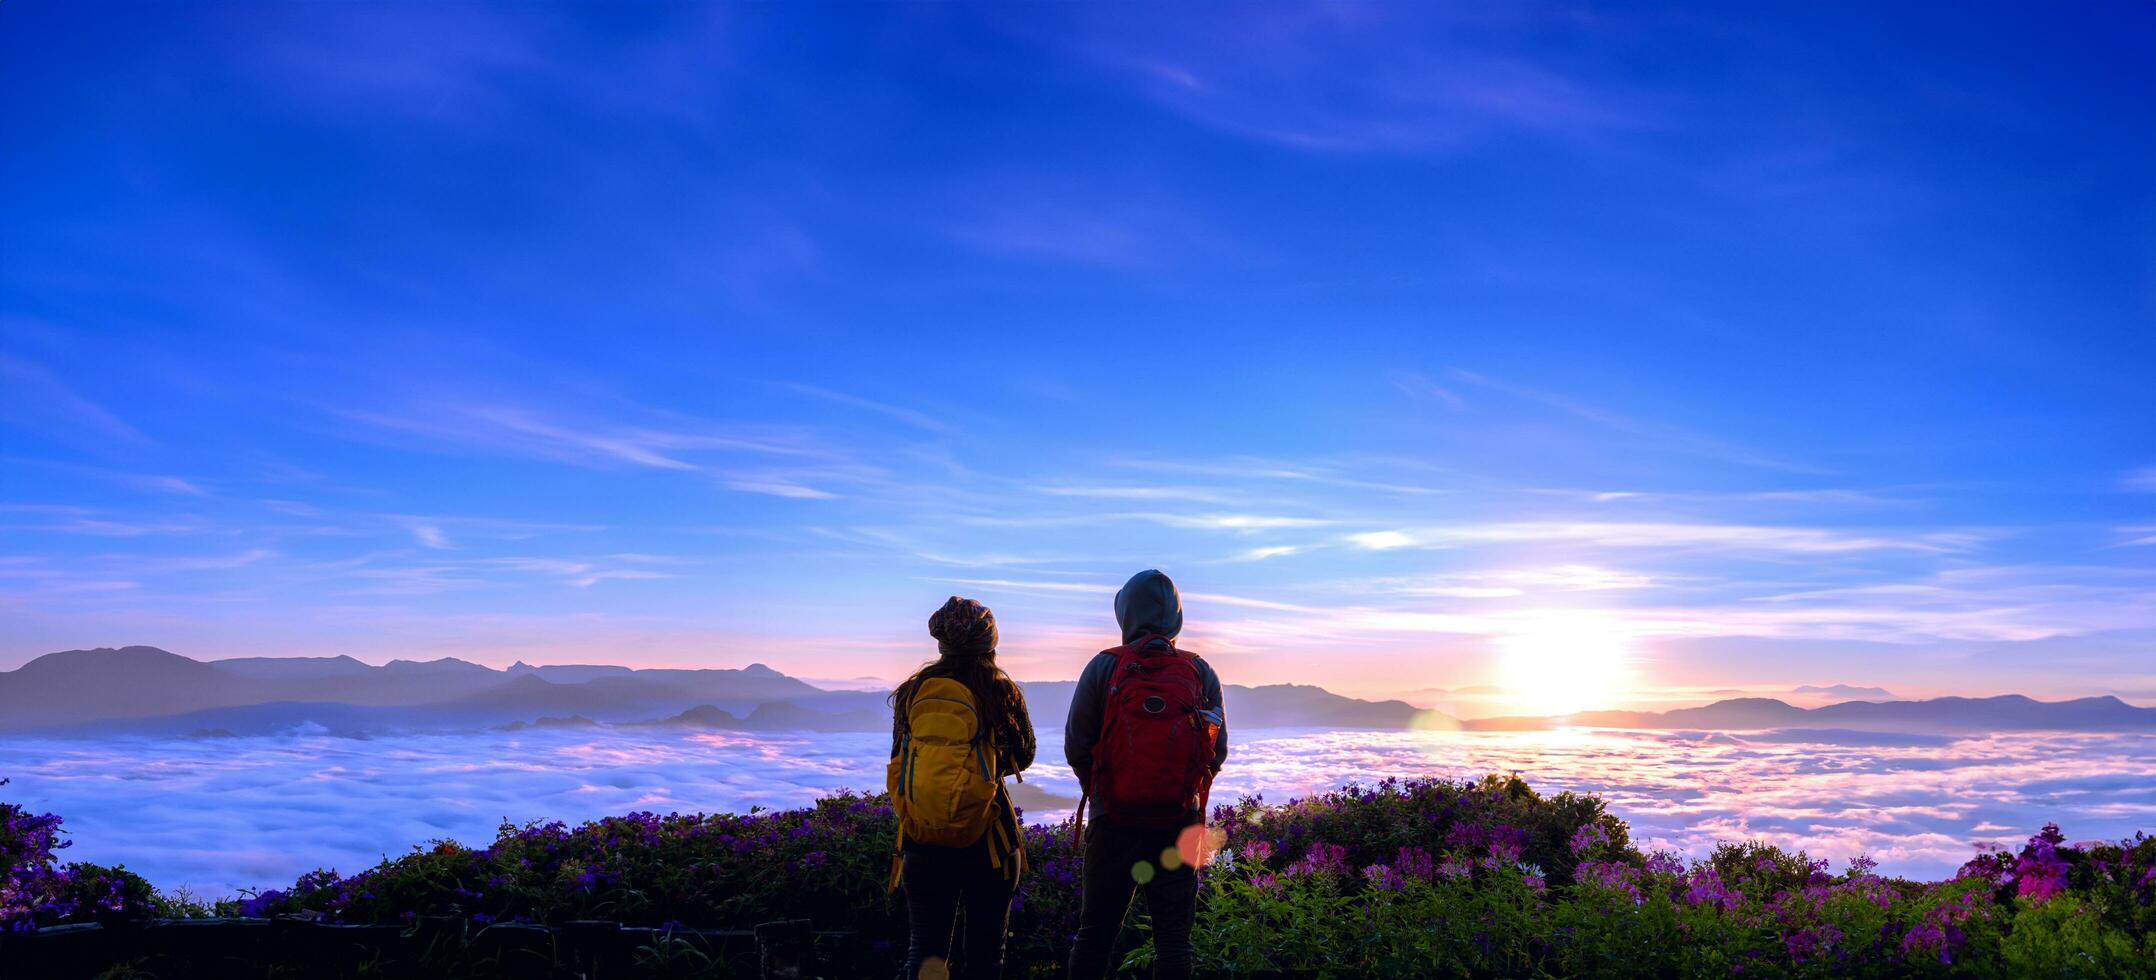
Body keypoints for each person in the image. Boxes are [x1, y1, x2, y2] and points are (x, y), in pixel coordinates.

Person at [1065, 569, 1228, 980]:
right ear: (1177, 617)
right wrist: (1180, 789)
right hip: (1177, 824)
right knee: (1173, 942)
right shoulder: (1200, 672)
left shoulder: (1103, 667)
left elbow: (1076, 745)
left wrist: (1107, 790)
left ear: (1125, 612)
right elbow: (1217, 751)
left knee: (1095, 936)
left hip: (1113, 823)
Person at [886, 596, 1035, 980]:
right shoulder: (1000, 692)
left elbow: (900, 757)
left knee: (924, 953)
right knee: (985, 957)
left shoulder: (913, 691)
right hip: (988, 842)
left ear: (941, 642)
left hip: (921, 840)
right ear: (990, 643)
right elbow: (1025, 755)